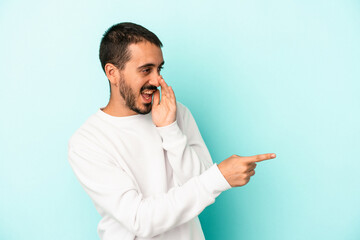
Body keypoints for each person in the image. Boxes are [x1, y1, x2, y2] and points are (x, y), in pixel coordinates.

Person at [68, 22, 276, 240]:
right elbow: (139, 219)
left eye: (159, 69)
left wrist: (169, 129)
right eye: (146, 70)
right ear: (112, 73)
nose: (157, 80)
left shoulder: (176, 112)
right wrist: (219, 176)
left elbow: (201, 186)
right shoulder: (87, 143)